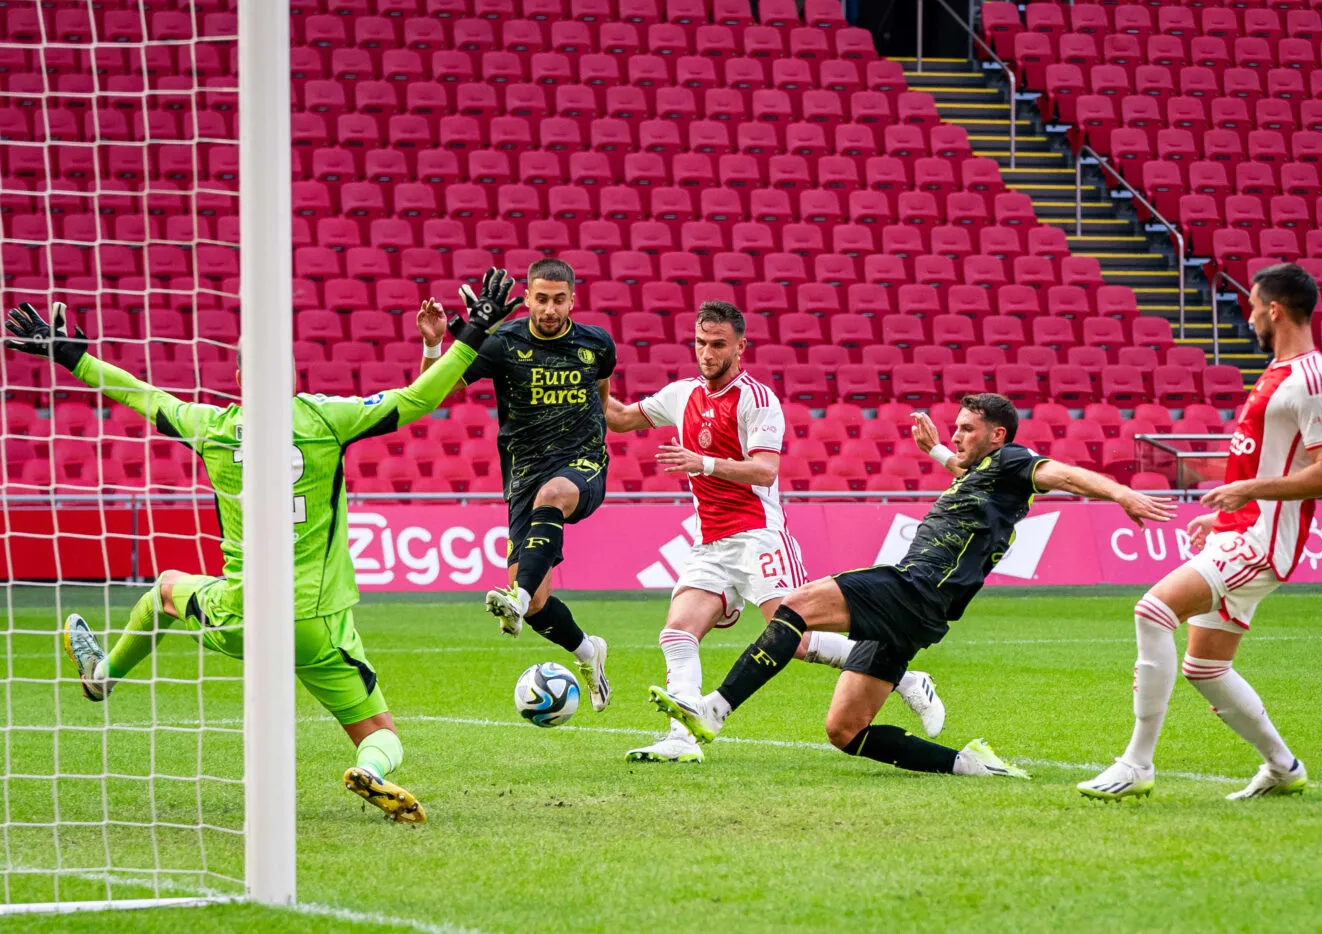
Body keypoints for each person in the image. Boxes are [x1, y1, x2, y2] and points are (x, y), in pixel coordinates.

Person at [4, 287, 514, 823]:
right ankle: (374, 772)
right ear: (292, 377)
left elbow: (141, 395)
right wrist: (471, 332)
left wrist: (71, 356)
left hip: (239, 615)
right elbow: (418, 399)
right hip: (312, 624)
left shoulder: (211, 428)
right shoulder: (326, 420)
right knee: (379, 732)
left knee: (165, 591)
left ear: (242, 379)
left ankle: (102, 677)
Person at [651, 393, 1177, 778]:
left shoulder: (1014, 462)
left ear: (997, 436)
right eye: (956, 427)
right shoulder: (978, 472)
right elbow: (960, 466)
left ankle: (713, 710)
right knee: (846, 732)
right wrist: (935, 451)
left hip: (917, 588)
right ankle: (971, 766)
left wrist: (1124, 495)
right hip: (924, 611)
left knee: (794, 607)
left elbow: (1065, 474)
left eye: (968, 429)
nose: (956, 435)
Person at [605, 301, 945, 763]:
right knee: (677, 633)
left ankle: (905, 677)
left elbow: (765, 472)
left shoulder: (758, 400)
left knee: (797, 639)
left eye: (718, 344)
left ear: (740, 347)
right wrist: (595, 371)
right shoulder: (681, 393)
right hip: (710, 543)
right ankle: (681, 740)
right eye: (701, 343)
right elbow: (620, 418)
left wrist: (700, 463)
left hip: (759, 535)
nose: (707, 353)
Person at [1079, 263, 1322, 802]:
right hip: (1241, 528)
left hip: (1265, 540)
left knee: (1151, 611)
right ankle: (1282, 766)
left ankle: (1137, 763)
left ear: (1274, 309)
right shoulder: (1279, 372)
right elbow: (1264, 457)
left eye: (1252, 307)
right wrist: (1224, 510)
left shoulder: (1314, 381)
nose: (1248, 318)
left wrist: (1248, 494)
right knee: (1206, 665)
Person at [418, 260, 615, 712]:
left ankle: (515, 598)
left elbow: (603, 402)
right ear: (526, 298)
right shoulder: (503, 345)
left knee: (554, 499)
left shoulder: (596, 344)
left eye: (558, 299)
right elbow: (430, 393)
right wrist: (434, 346)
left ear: (572, 299)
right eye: (540, 298)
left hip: (583, 464)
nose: (549, 308)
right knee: (540, 602)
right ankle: (588, 652)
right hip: (525, 475)